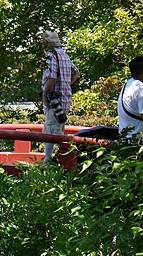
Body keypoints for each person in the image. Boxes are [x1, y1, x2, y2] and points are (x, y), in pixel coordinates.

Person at [41, 30, 80, 163]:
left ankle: (50, 163)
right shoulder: (64, 55)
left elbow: (51, 77)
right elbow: (77, 73)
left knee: (51, 132)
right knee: (58, 129)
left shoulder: (51, 56)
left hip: (54, 101)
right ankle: (60, 160)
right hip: (65, 99)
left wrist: (44, 95)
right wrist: (66, 84)